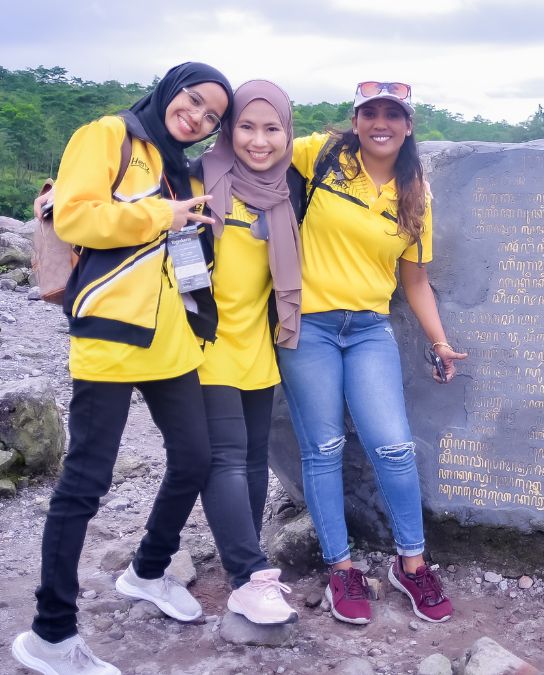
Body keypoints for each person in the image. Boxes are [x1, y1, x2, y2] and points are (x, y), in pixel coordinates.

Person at [12, 63, 232, 675]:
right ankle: (50, 637)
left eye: (212, 116)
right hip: (110, 335)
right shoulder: (108, 135)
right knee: (85, 482)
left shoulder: (177, 168)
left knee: (194, 458)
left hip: (170, 341)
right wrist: (166, 216)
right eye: (193, 101)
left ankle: (148, 570)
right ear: (169, 89)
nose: (198, 117)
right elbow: (78, 217)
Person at [276, 81, 467, 626]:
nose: (380, 122)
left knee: (394, 448)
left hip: (367, 330)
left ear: (408, 127)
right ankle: (341, 570)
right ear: (356, 120)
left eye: (393, 114)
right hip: (306, 325)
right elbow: (252, 149)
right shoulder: (323, 154)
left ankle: (412, 564)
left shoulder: (415, 193)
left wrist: (440, 342)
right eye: (370, 113)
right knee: (324, 448)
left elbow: (416, 280)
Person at [194, 80, 303, 625]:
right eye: (245, 126)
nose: (259, 141)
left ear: (287, 132)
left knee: (254, 458)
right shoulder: (197, 178)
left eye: (272, 128)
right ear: (227, 128)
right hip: (204, 344)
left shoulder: (289, 189)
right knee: (227, 458)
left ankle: (239, 549)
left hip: (257, 345)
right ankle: (247, 575)